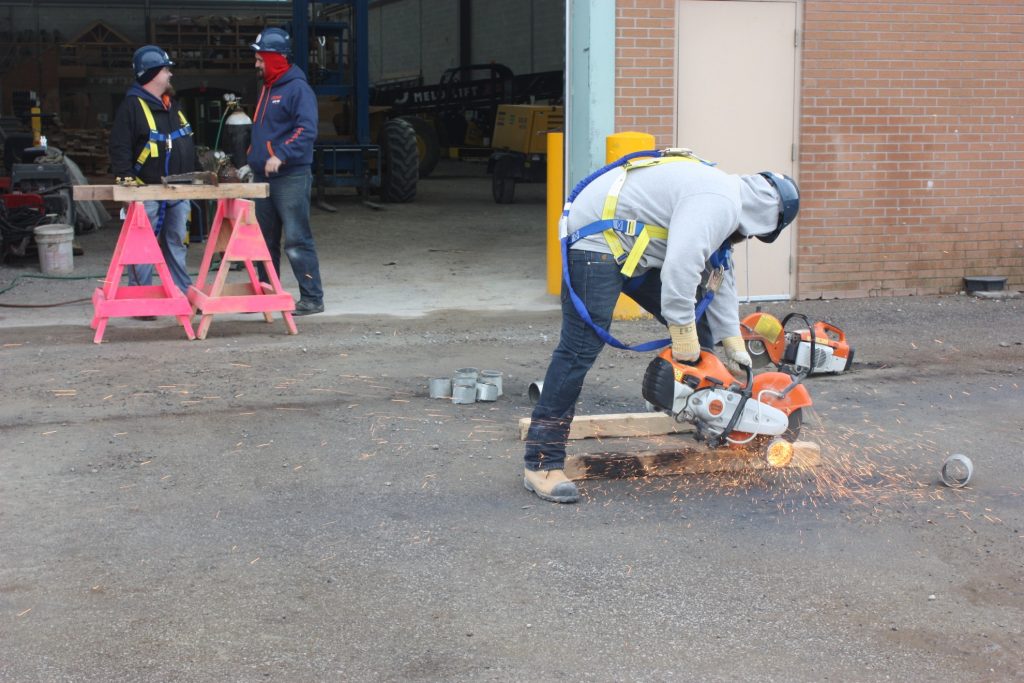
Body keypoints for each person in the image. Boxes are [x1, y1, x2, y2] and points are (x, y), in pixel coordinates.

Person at [523, 155, 800, 503]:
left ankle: (706, 412)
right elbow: (681, 269)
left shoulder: (727, 198)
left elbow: (719, 271)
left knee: (702, 324)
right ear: (763, 221)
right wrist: (681, 330)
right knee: (580, 348)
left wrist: (731, 338)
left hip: (633, 247)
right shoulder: (719, 202)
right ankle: (542, 463)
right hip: (596, 240)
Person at [247, 28, 324, 316]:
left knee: (296, 238)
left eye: (259, 59)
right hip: (264, 176)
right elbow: (266, 130)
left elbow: (307, 130)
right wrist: (252, 158)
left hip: (290, 175)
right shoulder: (269, 87)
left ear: (274, 58)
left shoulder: (297, 89)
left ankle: (312, 298)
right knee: (264, 241)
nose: (256, 64)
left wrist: (281, 154)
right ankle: (267, 295)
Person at [108, 45, 195, 298]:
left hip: (179, 189)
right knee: (142, 246)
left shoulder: (171, 106)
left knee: (176, 242)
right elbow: (120, 146)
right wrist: (126, 184)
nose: (170, 74)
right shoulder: (132, 107)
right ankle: (141, 297)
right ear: (152, 74)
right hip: (146, 190)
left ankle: (180, 292)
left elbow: (184, 142)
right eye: (166, 69)